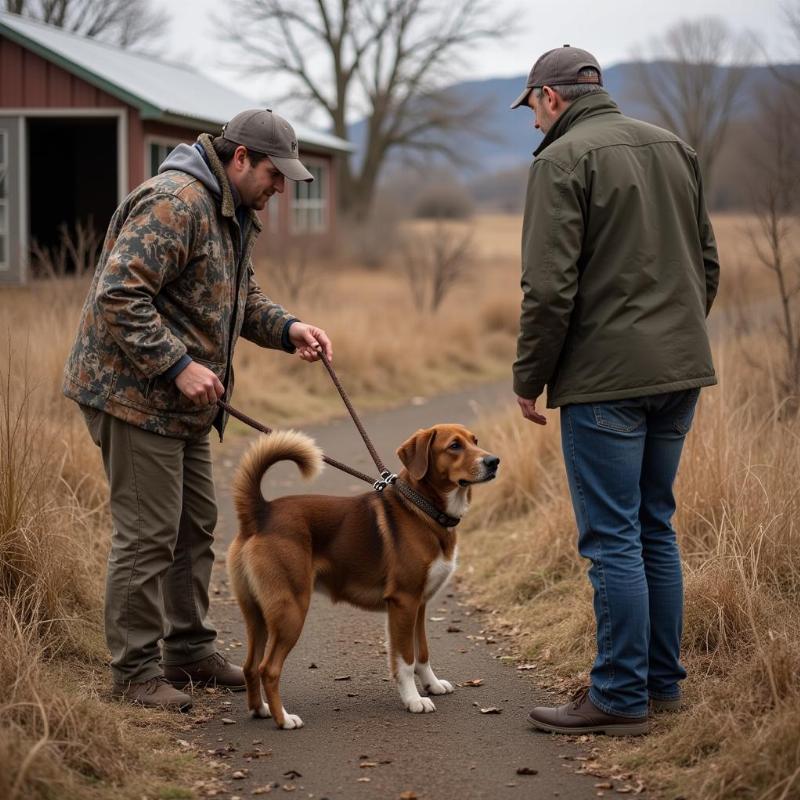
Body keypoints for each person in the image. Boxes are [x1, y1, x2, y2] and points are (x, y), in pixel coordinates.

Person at [63, 109, 333, 711]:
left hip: (182, 404)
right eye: (274, 174)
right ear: (240, 159)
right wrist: (178, 365)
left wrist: (287, 329)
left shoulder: (232, 212)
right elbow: (118, 293)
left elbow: (240, 297)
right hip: (131, 394)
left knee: (195, 527)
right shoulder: (176, 202)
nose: (281, 189)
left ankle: (187, 653)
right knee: (148, 533)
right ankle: (134, 675)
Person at [510, 46, 720, 735]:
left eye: (533, 111)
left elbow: (547, 289)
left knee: (612, 538)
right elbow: (706, 264)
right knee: (654, 524)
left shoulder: (560, 162)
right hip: (679, 371)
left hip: (606, 382)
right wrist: (674, 339)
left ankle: (621, 696)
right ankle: (662, 686)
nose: (534, 125)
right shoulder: (674, 148)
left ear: (549, 97)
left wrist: (529, 378)